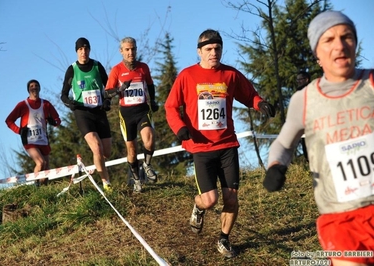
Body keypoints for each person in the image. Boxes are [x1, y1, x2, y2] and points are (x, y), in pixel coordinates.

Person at [263, 11, 374, 266]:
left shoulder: (371, 82)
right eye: (329, 39)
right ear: (317, 52)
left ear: (355, 43)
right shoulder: (305, 99)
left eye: (347, 37)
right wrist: (276, 166)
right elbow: (283, 143)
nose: (339, 45)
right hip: (341, 220)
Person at [165, 29, 275, 258]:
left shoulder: (230, 74)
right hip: (201, 148)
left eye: (217, 48)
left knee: (232, 198)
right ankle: (198, 206)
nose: (214, 53)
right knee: (210, 200)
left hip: (227, 145)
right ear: (199, 51)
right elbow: (171, 107)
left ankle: (224, 239)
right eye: (209, 49)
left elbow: (249, 94)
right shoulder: (187, 76)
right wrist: (181, 128)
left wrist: (260, 104)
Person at [105, 37, 159, 193]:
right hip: (126, 114)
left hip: (142, 109)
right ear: (121, 51)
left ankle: (147, 165)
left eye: (133, 49)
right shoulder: (116, 70)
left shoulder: (143, 67)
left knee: (149, 139)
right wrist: (119, 90)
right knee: (132, 151)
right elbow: (107, 93)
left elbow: (150, 85)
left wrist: (153, 101)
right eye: (127, 49)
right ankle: (136, 180)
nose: (131, 52)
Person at [60, 37, 113, 192]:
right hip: (82, 113)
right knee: (97, 148)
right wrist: (70, 103)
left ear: (89, 50)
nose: (83, 52)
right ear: (77, 51)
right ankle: (106, 183)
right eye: (80, 49)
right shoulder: (72, 69)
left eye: (86, 48)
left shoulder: (97, 66)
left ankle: (99, 166)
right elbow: (63, 94)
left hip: (99, 111)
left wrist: (107, 101)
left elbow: (108, 88)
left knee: (106, 152)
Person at [6, 79, 61, 186]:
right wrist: (19, 131)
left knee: (46, 168)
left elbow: (57, 119)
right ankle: (36, 187)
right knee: (40, 162)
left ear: (39, 88)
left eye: (36, 85)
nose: (34, 87)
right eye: (31, 86)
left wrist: (54, 122)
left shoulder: (46, 104)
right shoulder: (22, 105)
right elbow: (9, 120)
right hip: (29, 140)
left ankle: (43, 190)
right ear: (28, 90)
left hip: (43, 139)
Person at [296, 70, 311, 162]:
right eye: (297, 80)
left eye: (300, 79)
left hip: (314, 125)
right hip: (303, 126)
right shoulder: (298, 93)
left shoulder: (313, 90)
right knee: (307, 154)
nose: (298, 82)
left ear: (306, 80)